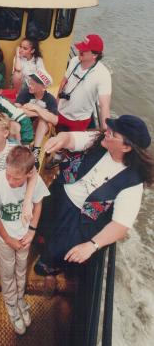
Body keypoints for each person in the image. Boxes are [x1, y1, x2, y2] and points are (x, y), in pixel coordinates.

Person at [34, 115, 154, 276]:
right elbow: (70, 138)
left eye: (113, 133)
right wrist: (61, 140)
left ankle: (50, 267)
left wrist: (92, 245)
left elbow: (120, 225)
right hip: (59, 195)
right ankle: (41, 239)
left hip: (79, 219)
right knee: (42, 225)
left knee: (54, 254)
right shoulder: (99, 140)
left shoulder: (132, 183)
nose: (107, 133)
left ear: (126, 147)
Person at [0, 146, 49, 334]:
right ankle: (11, 304)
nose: (11, 181)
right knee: (8, 271)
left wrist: (31, 231)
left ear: (29, 174)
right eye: (8, 175)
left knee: (21, 269)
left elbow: (38, 204)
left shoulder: (34, 181)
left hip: (24, 236)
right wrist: (8, 239)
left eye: (16, 178)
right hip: (4, 237)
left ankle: (20, 298)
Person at [57, 34, 111, 132]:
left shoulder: (103, 74)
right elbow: (64, 81)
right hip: (60, 111)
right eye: (80, 48)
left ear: (95, 55)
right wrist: (55, 104)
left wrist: (106, 130)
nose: (79, 51)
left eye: (84, 51)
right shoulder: (74, 61)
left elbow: (104, 105)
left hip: (79, 120)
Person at [16, 70, 58, 167]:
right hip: (24, 124)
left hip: (39, 129)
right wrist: (39, 113)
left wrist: (37, 108)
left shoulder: (50, 99)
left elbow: (55, 120)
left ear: (43, 87)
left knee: (43, 121)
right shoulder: (25, 92)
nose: (30, 85)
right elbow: (16, 108)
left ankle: (36, 152)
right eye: (30, 82)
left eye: (33, 84)